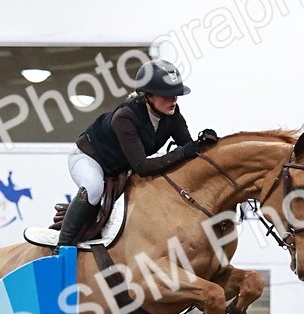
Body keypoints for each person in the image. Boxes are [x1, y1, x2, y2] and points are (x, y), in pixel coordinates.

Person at [57, 59, 217, 248]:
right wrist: (185, 151)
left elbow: (187, 147)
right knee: (93, 188)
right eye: (167, 95)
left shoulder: (172, 113)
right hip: (90, 158)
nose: (174, 99)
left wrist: (205, 144)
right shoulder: (125, 117)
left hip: (121, 165)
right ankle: (62, 247)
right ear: (147, 95)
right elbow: (142, 166)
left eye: (176, 94)